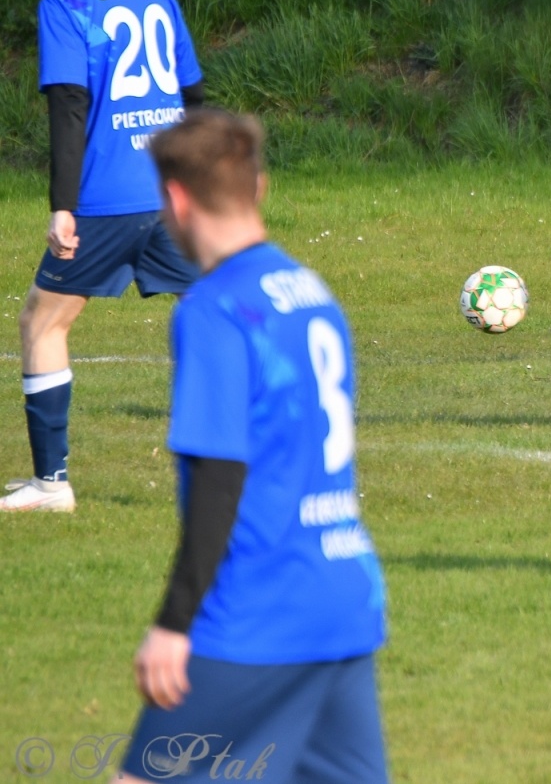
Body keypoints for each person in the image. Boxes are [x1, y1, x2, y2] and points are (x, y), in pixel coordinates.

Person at [116, 109, 389, 783]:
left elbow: (218, 475)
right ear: (257, 189)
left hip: (257, 614)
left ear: (176, 199)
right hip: (344, 598)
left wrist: (175, 623)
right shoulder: (312, 292)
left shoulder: (215, 308)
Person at [3, 0, 204, 514]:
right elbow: (194, 101)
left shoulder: (65, 5)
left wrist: (62, 206)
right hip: (172, 196)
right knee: (224, 310)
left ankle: (51, 484)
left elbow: (69, 107)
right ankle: (264, 453)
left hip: (105, 201)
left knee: (43, 319)